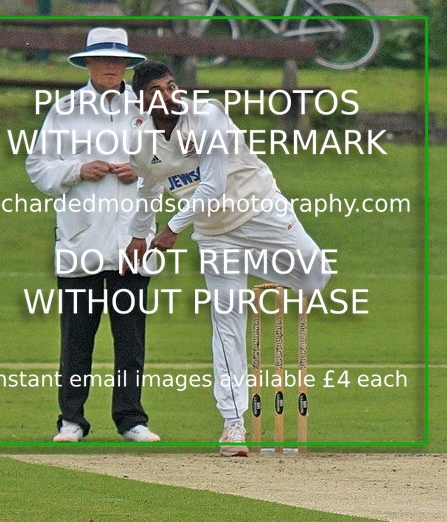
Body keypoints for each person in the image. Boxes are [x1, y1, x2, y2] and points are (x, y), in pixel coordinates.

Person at [124, 60, 331, 456]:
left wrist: (171, 230)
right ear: (142, 101)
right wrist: (138, 233)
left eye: (171, 87)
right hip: (215, 236)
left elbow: (214, 184)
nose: (168, 96)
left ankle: (251, 265)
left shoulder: (208, 116)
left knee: (315, 278)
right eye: (156, 92)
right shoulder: (140, 142)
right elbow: (149, 188)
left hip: (260, 209)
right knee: (227, 323)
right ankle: (233, 423)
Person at [26, 27, 160, 443]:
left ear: (127, 66)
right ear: (87, 63)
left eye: (117, 61)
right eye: (101, 60)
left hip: (133, 241)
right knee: (77, 337)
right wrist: (77, 170)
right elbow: (38, 167)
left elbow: (171, 162)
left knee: (130, 339)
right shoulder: (64, 110)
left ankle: (131, 419)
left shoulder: (145, 107)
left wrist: (140, 169)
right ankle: (71, 420)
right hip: (80, 242)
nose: (109, 67)